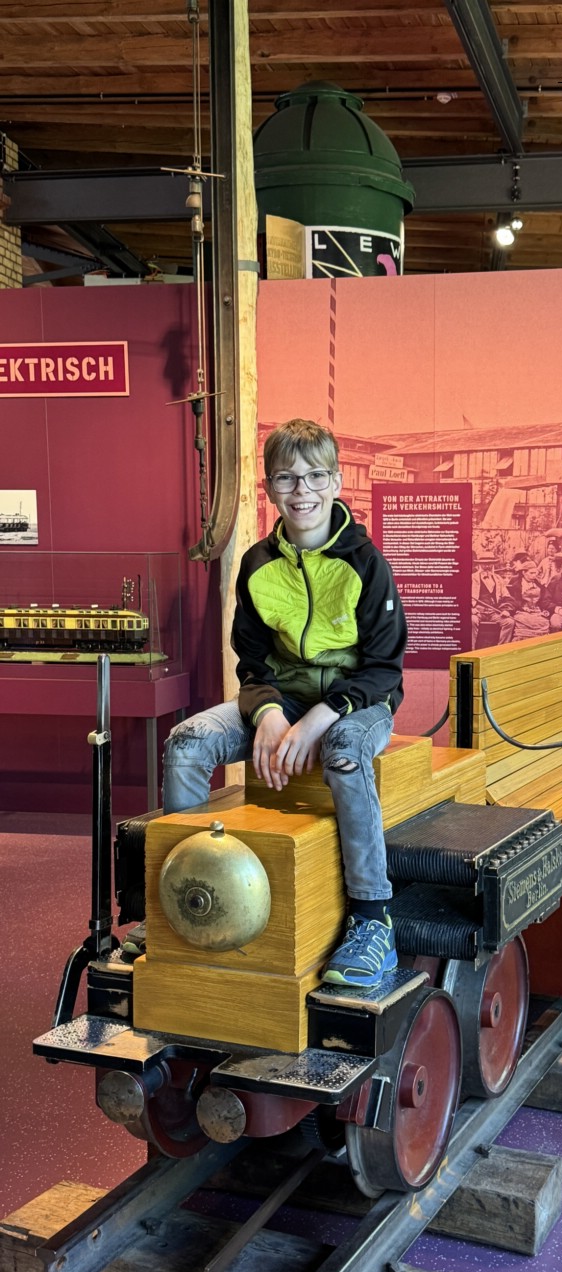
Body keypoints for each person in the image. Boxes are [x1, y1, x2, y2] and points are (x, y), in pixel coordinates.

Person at [162, 419, 408, 990]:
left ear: (337, 481)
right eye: (287, 478)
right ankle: (180, 893)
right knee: (186, 744)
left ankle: (373, 919)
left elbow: (384, 669)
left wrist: (320, 718)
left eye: (316, 476)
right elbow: (251, 662)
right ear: (269, 487)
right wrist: (269, 713)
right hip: (285, 699)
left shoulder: (366, 563)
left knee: (344, 751)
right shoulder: (256, 564)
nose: (303, 491)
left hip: (357, 704)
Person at [472, 552, 514, 646]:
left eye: (490, 563)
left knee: (509, 622)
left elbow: (507, 597)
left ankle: (501, 649)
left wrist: (506, 610)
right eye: (484, 564)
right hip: (477, 611)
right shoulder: (472, 578)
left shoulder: (498, 579)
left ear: (493, 564)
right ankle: (471, 649)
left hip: (494, 612)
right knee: (471, 620)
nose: (487, 566)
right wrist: (470, 609)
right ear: (479, 564)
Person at [509, 558, 550, 640]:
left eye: (535, 573)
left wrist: (544, 609)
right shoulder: (517, 585)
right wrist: (523, 608)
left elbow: (544, 599)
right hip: (522, 611)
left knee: (543, 622)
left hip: (537, 611)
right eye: (531, 573)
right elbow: (513, 601)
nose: (534, 575)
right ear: (524, 573)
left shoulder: (539, 585)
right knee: (524, 621)